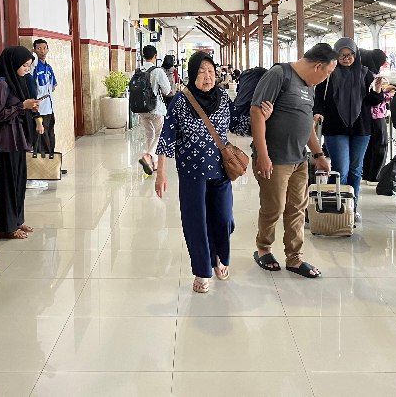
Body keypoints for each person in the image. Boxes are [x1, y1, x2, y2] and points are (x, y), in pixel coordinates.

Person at [154, 53, 271, 293]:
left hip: (221, 171)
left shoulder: (222, 98)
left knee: (223, 218)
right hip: (191, 173)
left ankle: (219, 255)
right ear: (192, 74)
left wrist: (262, 116)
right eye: (201, 72)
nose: (207, 77)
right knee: (196, 221)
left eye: (210, 71)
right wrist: (160, 173)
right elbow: (166, 137)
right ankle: (202, 270)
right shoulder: (181, 101)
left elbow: (237, 125)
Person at [251, 44, 337, 278]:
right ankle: (263, 249)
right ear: (318, 66)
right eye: (327, 73)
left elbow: (306, 123)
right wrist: (263, 155)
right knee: (274, 207)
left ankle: (294, 257)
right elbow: (256, 113)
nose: (325, 78)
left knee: (297, 209)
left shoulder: (309, 87)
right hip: (275, 159)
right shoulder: (280, 75)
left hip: (299, 158)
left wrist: (318, 155)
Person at [314, 38, 384, 217]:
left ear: (356, 54)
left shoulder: (365, 73)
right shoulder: (328, 73)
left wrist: (377, 90)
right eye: (342, 55)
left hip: (361, 128)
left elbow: (372, 102)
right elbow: (318, 98)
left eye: (350, 54)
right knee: (340, 169)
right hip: (335, 128)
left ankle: (351, 208)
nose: (346, 58)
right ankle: (334, 206)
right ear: (335, 55)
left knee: (355, 169)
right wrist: (318, 112)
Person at [0, 46, 39, 240]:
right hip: (7, 140)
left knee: (19, 183)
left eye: (29, 65)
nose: (27, 69)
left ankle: (17, 220)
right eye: (24, 65)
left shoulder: (17, 81)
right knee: (8, 185)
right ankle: (6, 227)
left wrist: (30, 107)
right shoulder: (2, 83)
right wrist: (22, 106)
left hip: (19, 139)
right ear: (13, 63)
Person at [137, 45, 172, 175]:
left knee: (150, 135)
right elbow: (167, 90)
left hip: (141, 108)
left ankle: (154, 163)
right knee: (160, 134)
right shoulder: (158, 71)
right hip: (155, 108)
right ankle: (148, 156)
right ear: (155, 56)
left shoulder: (138, 70)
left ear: (143, 56)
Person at [360, 49, 394, 184]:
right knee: (380, 146)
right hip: (377, 116)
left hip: (366, 116)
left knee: (368, 147)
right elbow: (376, 98)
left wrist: (383, 91)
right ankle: (375, 176)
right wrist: (389, 94)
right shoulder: (372, 75)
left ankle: (367, 174)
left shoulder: (362, 73)